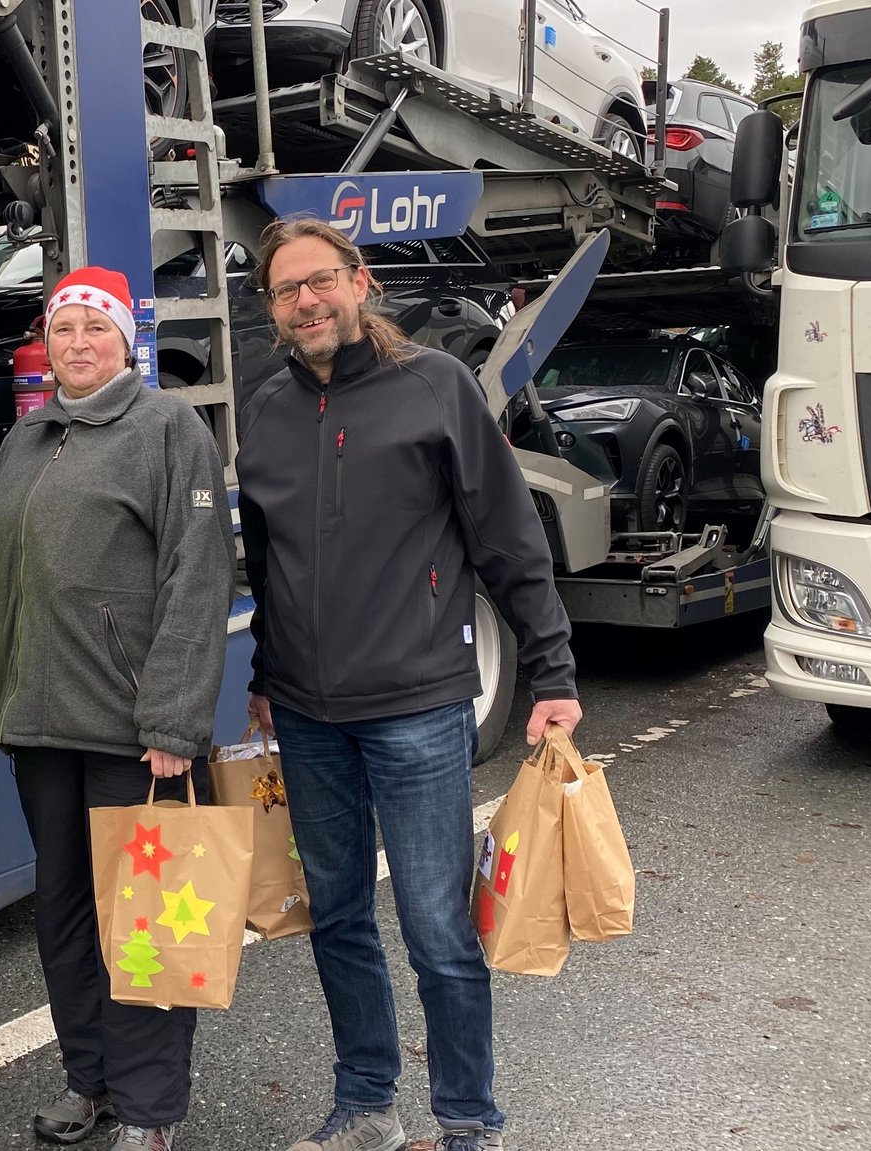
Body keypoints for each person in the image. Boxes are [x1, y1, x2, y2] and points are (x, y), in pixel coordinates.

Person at [235, 217, 583, 1151]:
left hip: (420, 705)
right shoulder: (266, 411)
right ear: (271, 310)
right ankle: (366, 1106)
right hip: (307, 713)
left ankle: (469, 1121)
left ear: (360, 281)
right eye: (285, 291)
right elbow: (268, 565)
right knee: (338, 917)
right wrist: (265, 675)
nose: (306, 301)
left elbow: (510, 536)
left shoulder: (437, 386)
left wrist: (550, 669)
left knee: (437, 926)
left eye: (320, 281)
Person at [0, 267, 233, 1151]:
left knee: (150, 924)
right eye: (64, 329)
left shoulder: (168, 430)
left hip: (133, 732)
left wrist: (171, 724)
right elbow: (3, 580)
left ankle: (152, 1111)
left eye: (96, 328)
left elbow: (197, 581)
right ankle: (92, 1082)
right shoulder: (26, 436)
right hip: (41, 728)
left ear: (128, 342)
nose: (78, 343)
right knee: (66, 914)